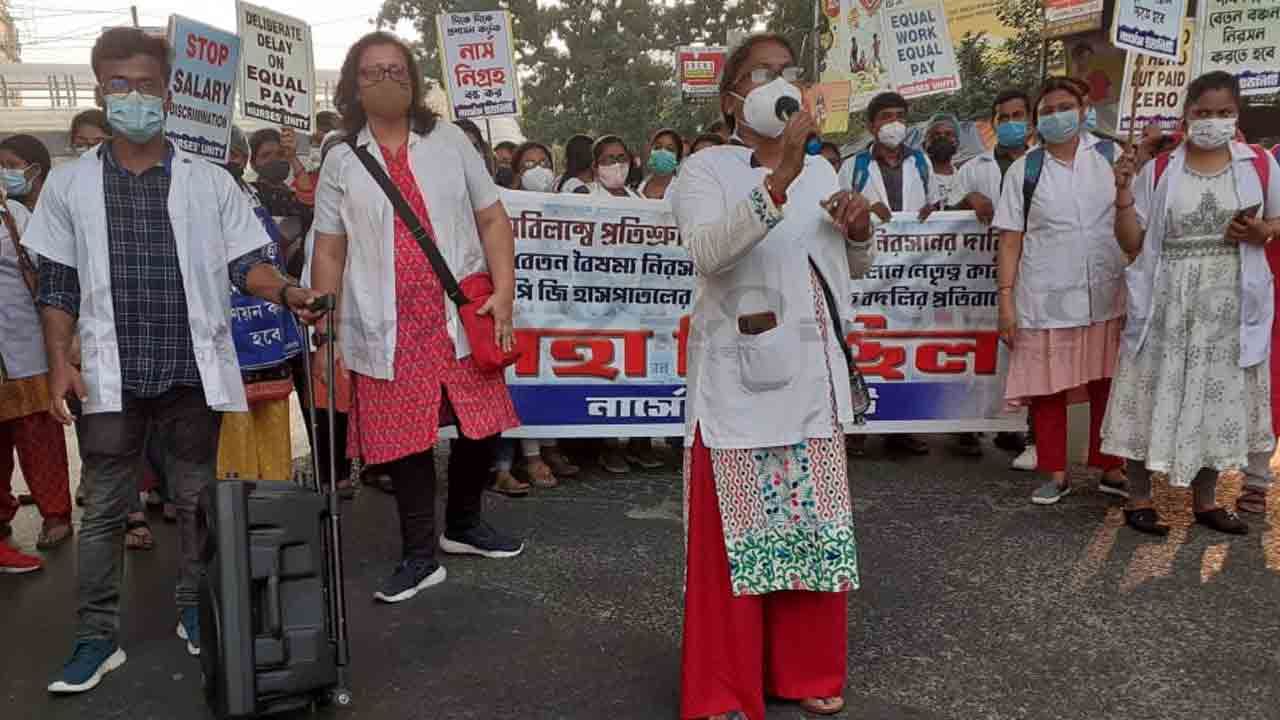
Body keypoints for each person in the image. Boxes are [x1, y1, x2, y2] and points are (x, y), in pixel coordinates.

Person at [27, 28, 322, 694]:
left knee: (194, 502)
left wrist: (290, 292)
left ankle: (197, 609)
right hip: (109, 374)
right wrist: (59, 363)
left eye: (147, 84)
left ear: (169, 90)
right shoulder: (70, 184)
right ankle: (95, 638)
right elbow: (58, 284)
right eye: (119, 85)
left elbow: (249, 263)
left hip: (190, 371)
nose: (135, 97)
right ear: (101, 91)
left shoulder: (208, 180)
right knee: (103, 510)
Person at [671, 32, 874, 720]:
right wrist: (779, 176)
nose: (780, 84)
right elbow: (708, 253)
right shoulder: (704, 171)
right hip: (738, 386)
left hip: (812, 382)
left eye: (788, 72)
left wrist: (858, 231)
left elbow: (853, 270)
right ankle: (724, 690)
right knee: (738, 536)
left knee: (811, 531)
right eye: (762, 74)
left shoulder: (825, 170)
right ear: (732, 97)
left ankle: (805, 671)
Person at [311, 31, 524, 605]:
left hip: (460, 313)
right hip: (386, 326)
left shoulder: (449, 140)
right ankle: (419, 554)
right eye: (374, 71)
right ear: (354, 84)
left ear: (415, 80)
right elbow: (329, 249)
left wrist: (504, 292)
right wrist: (325, 333)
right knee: (404, 442)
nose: (388, 80)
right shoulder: (340, 157)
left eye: (397, 70)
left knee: (482, 423)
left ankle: (463, 524)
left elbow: (493, 219)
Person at [1104, 71, 1280, 536]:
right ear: (1186, 116)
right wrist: (1123, 191)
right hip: (1168, 302)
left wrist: (1263, 231)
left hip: (1230, 303)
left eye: (1224, 113)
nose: (1213, 121)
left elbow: (1277, 221)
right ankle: (1139, 497)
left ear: (1237, 115)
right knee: (1150, 392)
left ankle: (1207, 502)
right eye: (1203, 113)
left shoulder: (1259, 163)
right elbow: (1132, 243)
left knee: (1216, 398)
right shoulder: (1160, 170)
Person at [992, 77, 1129, 506]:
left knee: (1109, 383)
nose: (1057, 116)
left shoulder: (1112, 157)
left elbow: (1134, 224)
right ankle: (1055, 472)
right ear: (1037, 121)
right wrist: (1006, 302)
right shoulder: (1025, 170)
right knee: (1047, 389)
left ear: (1085, 108)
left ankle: (1110, 466)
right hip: (1046, 298)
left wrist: (1128, 184)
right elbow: (1010, 239)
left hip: (1107, 294)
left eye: (1065, 106)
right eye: (1047, 111)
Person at [840, 92, 930, 456]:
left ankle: (901, 429)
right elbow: (839, 210)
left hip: (911, 273)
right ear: (871, 125)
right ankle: (855, 426)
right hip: (868, 273)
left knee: (905, 343)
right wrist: (866, 209)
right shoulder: (854, 166)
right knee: (863, 341)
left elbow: (934, 207)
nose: (894, 123)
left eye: (899, 116)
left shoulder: (920, 163)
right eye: (885, 117)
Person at [219, 126, 306, 484]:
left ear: (242, 159)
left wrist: (293, 159)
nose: (229, 160)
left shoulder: (257, 195)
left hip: (267, 329)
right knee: (231, 425)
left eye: (234, 153)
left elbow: (307, 206)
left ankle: (276, 499)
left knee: (273, 419)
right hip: (225, 335)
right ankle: (237, 512)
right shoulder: (189, 197)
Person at [956, 89, 1037, 467]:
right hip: (977, 279)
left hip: (1034, 274)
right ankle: (966, 426)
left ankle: (1027, 430)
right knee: (975, 350)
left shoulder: (1044, 163)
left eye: (1017, 115)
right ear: (993, 124)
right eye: (1003, 118)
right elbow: (943, 214)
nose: (1010, 123)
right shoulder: (974, 168)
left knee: (1031, 351)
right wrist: (969, 198)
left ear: (1031, 121)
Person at [1, 186, 73, 572]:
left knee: (38, 435)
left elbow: (46, 269)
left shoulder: (12, 213)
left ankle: (56, 515)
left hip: (24, 344)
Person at [249, 127, 315, 240]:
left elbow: (309, 204)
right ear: (253, 164)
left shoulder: (293, 194)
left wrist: (293, 157)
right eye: (265, 155)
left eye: (280, 154)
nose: (274, 159)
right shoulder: (250, 196)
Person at [0, 135, 52, 212]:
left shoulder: (58, 205)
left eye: (12, 165)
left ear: (35, 169)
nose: (4, 171)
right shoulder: (7, 208)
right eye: (1, 165)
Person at [581, 135, 641, 199]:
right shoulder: (585, 194)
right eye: (610, 160)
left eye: (622, 158)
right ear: (595, 166)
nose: (617, 164)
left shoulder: (637, 196)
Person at [924, 113, 964, 209]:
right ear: (924, 143)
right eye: (936, 134)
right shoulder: (916, 175)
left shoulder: (965, 177)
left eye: (948, 134)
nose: (942, 137)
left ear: (957, 143)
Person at [639, 128, 683, 200]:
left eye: (669, 149)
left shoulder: (682, 190)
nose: (662, 152)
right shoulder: (641, 186)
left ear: (678, 159)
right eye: (657, 147)